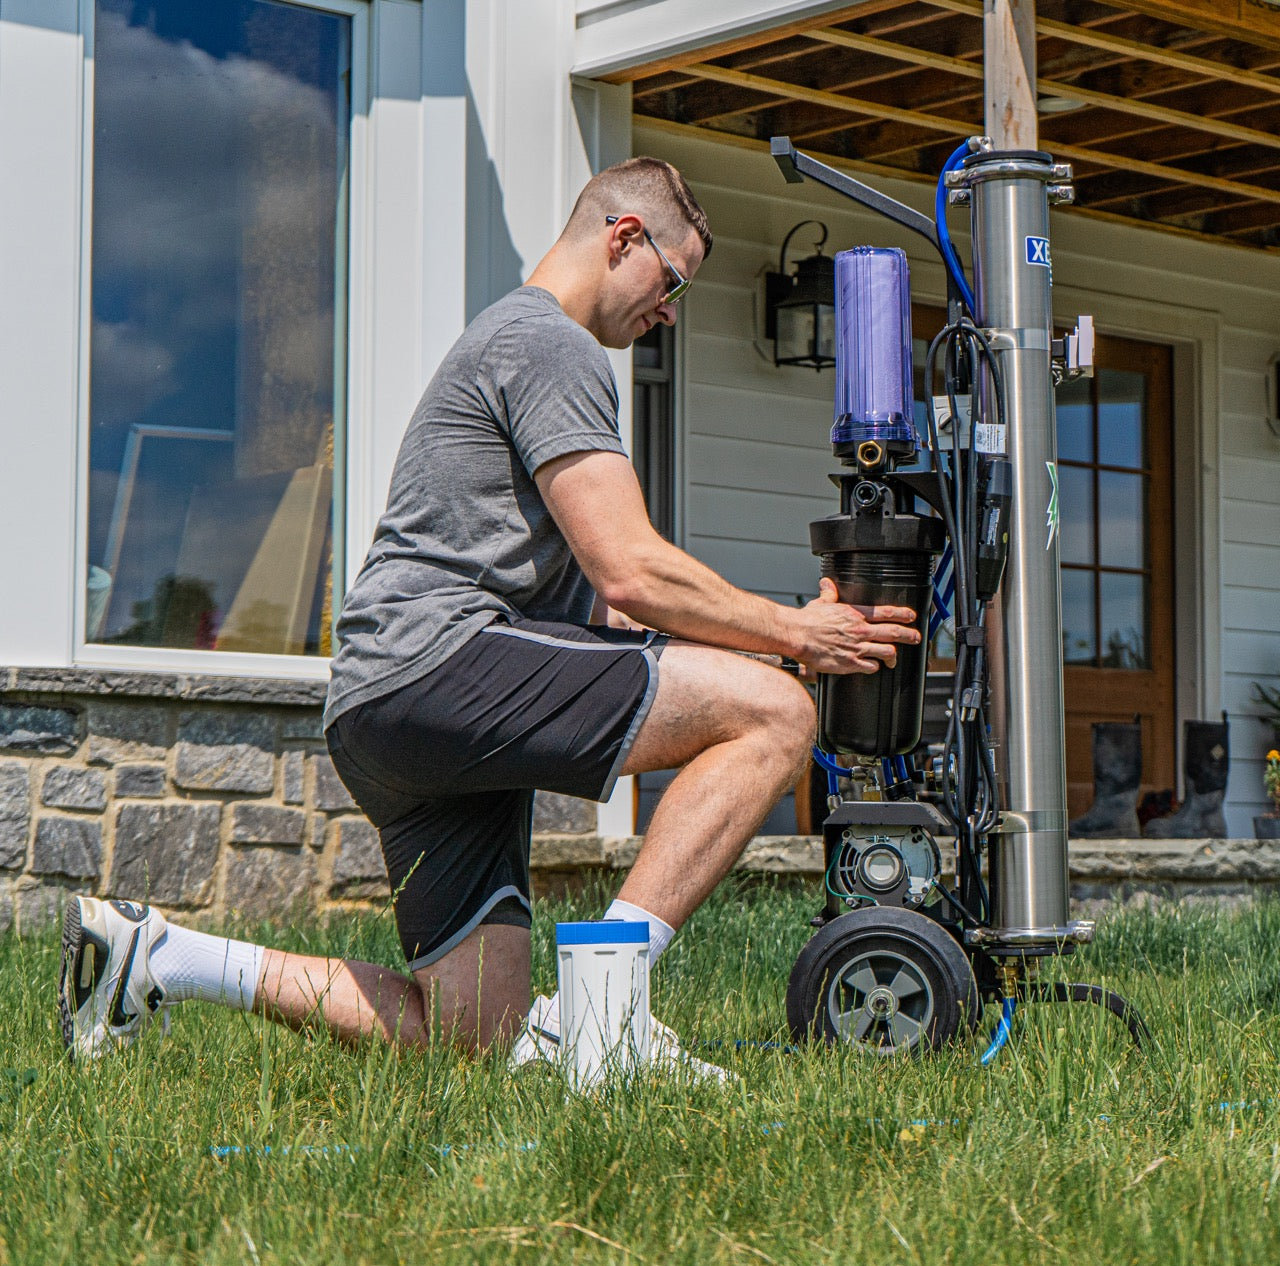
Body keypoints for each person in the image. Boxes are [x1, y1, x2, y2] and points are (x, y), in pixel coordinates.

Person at [58, 157, 919, 1068]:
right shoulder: (551, 344)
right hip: (441, 662)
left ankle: (162, 958)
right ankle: (611, 1011)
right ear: (624, 237)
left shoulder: (510, 343)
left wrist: (769, 647)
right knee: (779, 717)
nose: (669, 310)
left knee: (477, 1035)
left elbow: (617, 620)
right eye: (670, 283)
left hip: (382, 709)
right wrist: (790, 636)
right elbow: (629, 571)